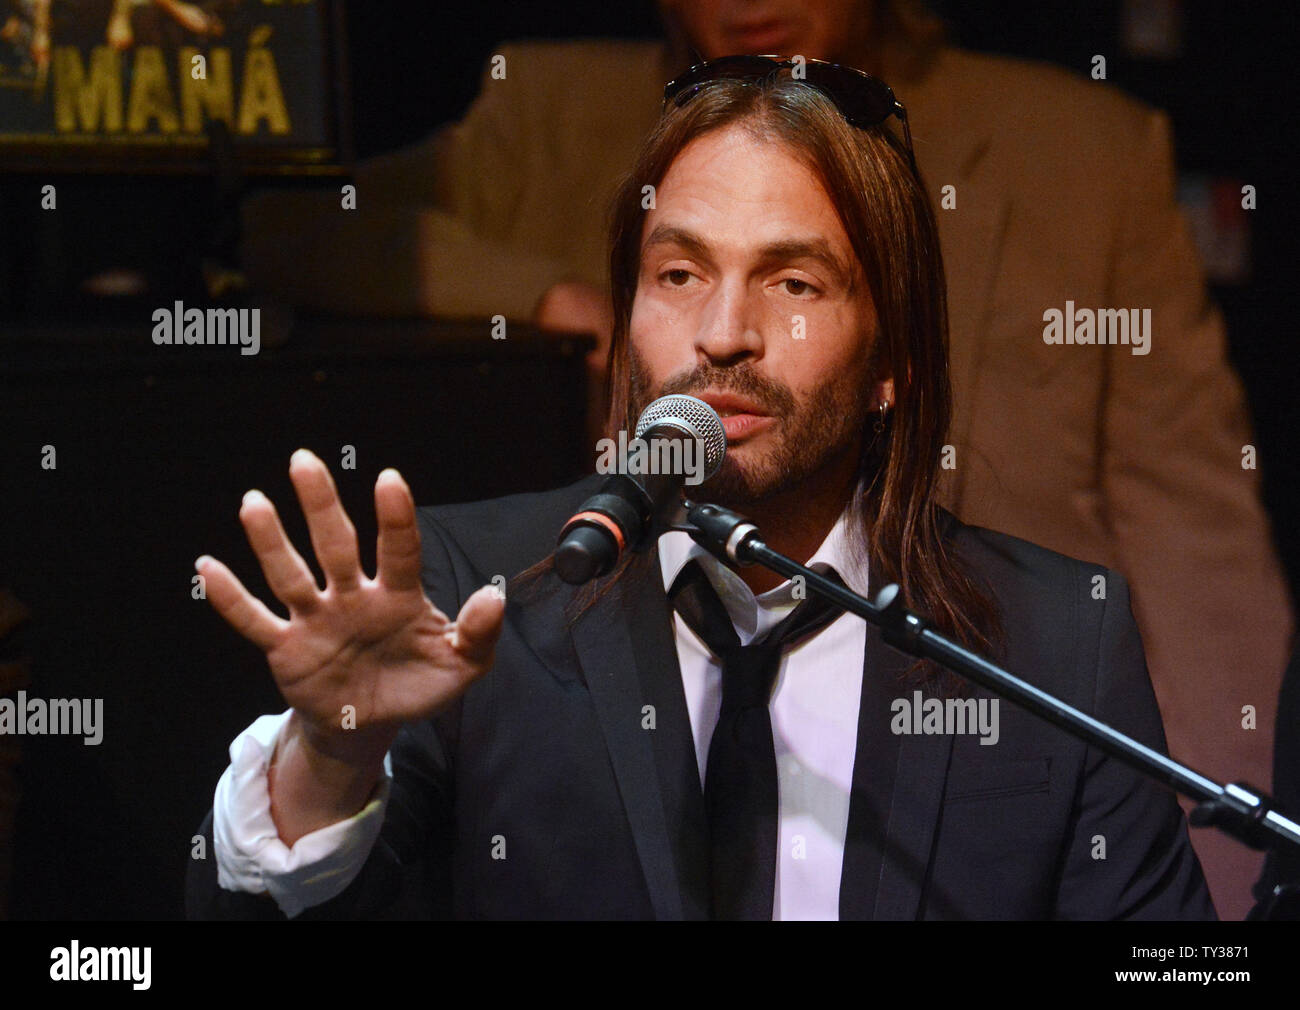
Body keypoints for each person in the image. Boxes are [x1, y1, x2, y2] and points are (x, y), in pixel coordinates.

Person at [237, 1, 1291, 919]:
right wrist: (331, 753)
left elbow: (1195, 530)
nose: (723, 333)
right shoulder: (486, 604)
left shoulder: (1054, 651)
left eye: (793, 284)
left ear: (896, 362)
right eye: (679, 272)